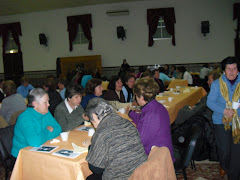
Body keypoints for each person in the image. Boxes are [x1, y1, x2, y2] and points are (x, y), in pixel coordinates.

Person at [85, 98, 147, 180]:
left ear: (94, 116)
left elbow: (96, 169)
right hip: (142, 171)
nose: (93, 125)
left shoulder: (102, 131)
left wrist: (91, 147)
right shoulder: (127, 122)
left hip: (123, 176)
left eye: (91, 121)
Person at [207, 57, 240, 179]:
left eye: (234, 69)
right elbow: (210, 102)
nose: (231, 72)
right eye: (229, 69)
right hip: (221, 122)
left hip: (239, 123)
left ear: (237, 70)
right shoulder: (217, 84)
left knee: (236, 154)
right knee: (225, 152)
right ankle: (224, 165)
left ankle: (233, 176)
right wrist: (224, 111)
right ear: (224, 71)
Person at [128, 78, 174, 161]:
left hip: (158, 158)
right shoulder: (156, 106)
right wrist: (131, 113)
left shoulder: (151, 114)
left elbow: (140, 141)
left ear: (141, 97)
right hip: (160, 151)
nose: (135, 98)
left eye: (136, 96)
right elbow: (141, 118)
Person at [11, 88, 62, 158]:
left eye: (48, 101)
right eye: (45, 102)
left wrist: (42, 137)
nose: (49, 104)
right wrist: (48, 130)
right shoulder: (25, 118)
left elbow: (58, 129)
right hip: (22, 156)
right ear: (35, 104)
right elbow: (35, 142)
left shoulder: (45, 112)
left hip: (40, 149)